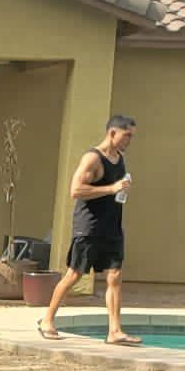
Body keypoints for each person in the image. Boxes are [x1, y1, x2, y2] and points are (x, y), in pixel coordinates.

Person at [39, 114, 140, 343]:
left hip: (112, 226)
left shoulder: (119, 158)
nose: (129, 141)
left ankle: (114, 331)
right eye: (127, 136)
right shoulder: (92, 158)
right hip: (89, 227)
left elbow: (114, 189)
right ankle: (47, 320)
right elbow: (76, 190)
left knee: (114, 276)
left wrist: (121, 189)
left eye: (131, 137)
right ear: (112, 133)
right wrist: (111, 188)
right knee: (74, 275)